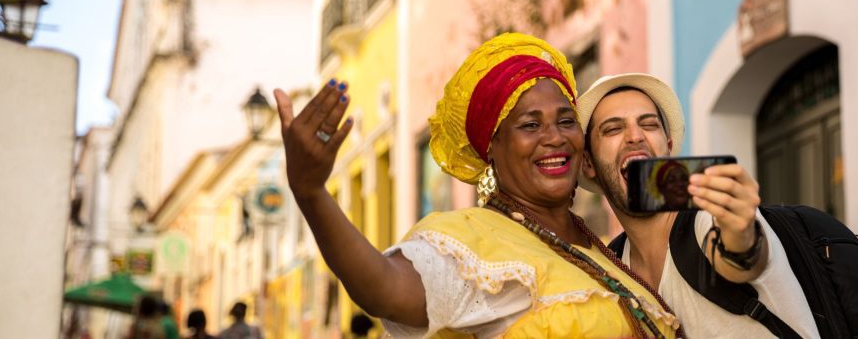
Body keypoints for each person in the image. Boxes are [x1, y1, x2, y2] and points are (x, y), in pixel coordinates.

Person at [271, 33, 681, 338]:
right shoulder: (472, 243)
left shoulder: (602, 251)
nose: (554, 137)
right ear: (493, 149)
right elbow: (384, 287)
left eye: (566, 120)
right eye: (530, 125)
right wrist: (311, 193)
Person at [576, 73, 821, 338]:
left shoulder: (709, 220)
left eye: (649, 124)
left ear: (668, 146)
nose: (635, 136)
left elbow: (741, 255)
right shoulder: (613, 266)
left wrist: (741, 233)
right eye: (613, 129)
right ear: (588, 163)